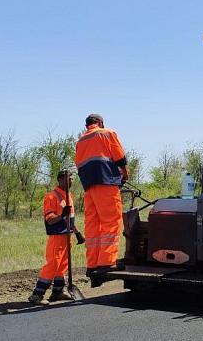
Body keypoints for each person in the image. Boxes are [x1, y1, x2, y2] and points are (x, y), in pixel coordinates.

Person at [75, 113, 128, 275]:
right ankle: (106, 262)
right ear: (99, 122)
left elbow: (79, 165)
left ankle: (92, 263)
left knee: (93, 224)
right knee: (111, 221)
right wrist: (125, 173)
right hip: (106, 183)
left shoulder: (80, 141)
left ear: (87, 125)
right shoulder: (107, 133)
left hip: (89, 187)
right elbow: (119, 157)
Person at [28, 170, 85, 304]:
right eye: (68, 179)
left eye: (72, 179)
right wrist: (61, 215)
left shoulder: (69, 196)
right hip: (56, 237)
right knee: (53, 264)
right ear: (59, 179)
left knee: (62, 266)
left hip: (67, 236)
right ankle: (37, 295)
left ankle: (58, 292)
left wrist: (77, 233)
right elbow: (50, 219)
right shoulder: (51, 197)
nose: (71, 181)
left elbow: (70, 219)